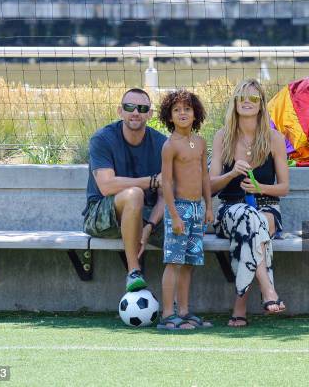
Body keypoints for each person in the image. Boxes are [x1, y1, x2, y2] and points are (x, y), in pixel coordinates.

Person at [210, 78, 290, 328]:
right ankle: (267, 289)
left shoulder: (274, 138)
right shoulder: (222, 137)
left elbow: (284, 188)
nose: (247, 102)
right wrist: (231, 174)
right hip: (229, 208)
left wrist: (260, 188)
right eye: (242, 97)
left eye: (253, 98)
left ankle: (240, 306)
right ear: (234, 103)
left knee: (253, 225)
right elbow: (211, 187)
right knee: (249, 220)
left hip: (267, 207)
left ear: (261, 105)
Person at [83, 88, 167, 292]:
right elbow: (106, 186)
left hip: (147, 215)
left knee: (183, 235)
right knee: (134, 194)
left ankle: (176, 309)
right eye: (129, 107)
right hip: (102, 216)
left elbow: (165, 195)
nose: (135, 112)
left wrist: (150, 225)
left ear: (150, 114)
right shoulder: (102, 139)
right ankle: (133, 272)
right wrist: (152, 181)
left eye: (142, 108)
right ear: (120, 111)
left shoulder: (162, 144)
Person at [157, 90, 214, 330]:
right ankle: (168, 313)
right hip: (178, 209)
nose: (183, 113)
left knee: (189, 262)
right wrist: (174, 214)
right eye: (177, 110)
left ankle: (184, 311)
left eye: (187, 109)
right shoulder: (170, 146)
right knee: (174, 261)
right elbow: (167, 183)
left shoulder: (200, 142)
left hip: (196, 208)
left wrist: (208, 206)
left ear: (195, 113)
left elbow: (204, 177)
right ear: (169, 116)